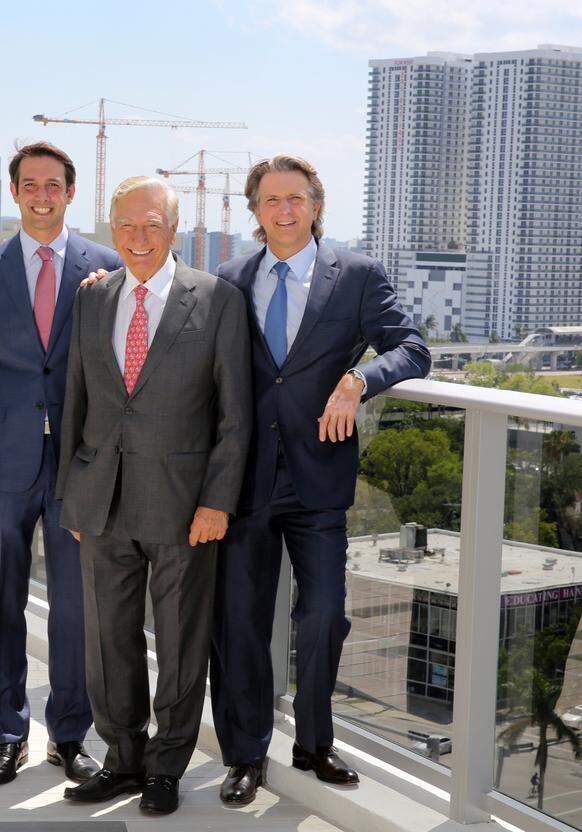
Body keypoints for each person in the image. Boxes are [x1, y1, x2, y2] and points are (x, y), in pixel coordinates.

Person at [209, 154, 431, 804]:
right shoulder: (228, 279)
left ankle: (313, 742)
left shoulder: (356, 276)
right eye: (271, 199)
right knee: (242, 623)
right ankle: (245, 755)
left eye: (296, 198)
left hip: (319, 479)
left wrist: (359, 379)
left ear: (316, 204)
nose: (285, 210)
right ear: (255, 210)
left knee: (325, 613)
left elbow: (413, 348)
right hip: (243, 481)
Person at [56, 176, 252, 815]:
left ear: (175, 229)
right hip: (101, 500)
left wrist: (217, 501)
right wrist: (72, 495)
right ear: (112, 228)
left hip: (184, 504)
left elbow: (235, 415)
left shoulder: (217, 300)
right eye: (126, 225)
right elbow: (76, 399)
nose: (138, 237)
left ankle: (167, 766)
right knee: (107, 639)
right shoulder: (92, 297)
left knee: (179, 642)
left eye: (152, 225)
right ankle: (122, 759)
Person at [0, 142, 122, 787]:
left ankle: (70, 735)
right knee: (0, 599)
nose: (42, 196)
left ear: (71, 193)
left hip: (80, 461)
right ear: (15, 192)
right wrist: (10, 421)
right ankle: (6, 735)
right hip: (4, 460)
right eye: (30, 185)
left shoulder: (105, 267)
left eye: (54, 185)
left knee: (77, 605)